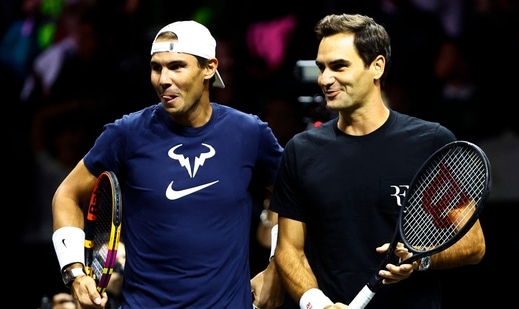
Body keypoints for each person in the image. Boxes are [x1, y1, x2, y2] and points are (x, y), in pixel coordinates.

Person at [51, 20, 285, 308]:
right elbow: (67, 195)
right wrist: (74, 272)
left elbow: (291, 197)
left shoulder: (249, 133)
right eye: (156, 67)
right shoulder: (126, 133)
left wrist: (276, 267)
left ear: (209, 68)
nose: (163, 79)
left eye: (176, 66)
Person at [269, 13, 486, 308]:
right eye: (322, 68)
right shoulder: (301, 150)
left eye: (339, 66)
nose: (324, 79)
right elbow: (288, 250)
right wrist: (318, 304)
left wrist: (421, 259)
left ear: (377, 66)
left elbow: (473, 244)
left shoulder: (430, 142)